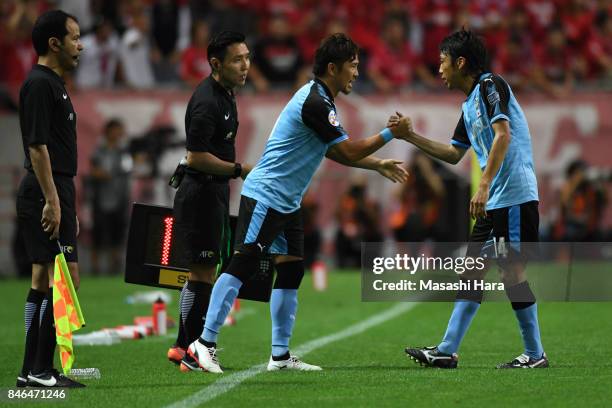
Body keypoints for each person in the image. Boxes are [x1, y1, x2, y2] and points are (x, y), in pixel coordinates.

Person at [183, 33, 412, 374]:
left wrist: (375, 164)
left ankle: (279, 356)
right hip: (266, 195)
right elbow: (346, 150)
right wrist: (392, 133)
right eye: (352, 66)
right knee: (242, 265)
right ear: (333, 68)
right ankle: (204, 344)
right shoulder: (316, 102)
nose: (356, 74)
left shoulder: (320, 98)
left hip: (286, 202)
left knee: (291, 269)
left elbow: (333, 150)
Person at [398, 29, 547, 369]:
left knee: (512, 273)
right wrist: (411, 137)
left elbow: (503, 135)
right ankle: (447, 350)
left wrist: (483, 186)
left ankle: (535, 354)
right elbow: (453, 154)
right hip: (494, 201)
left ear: (460, 62)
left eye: (442, 62)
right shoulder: (468, 106)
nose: (439, 69)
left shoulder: (489, 85)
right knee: (471, 272)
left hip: (513, 196)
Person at [165, 31, 253, 371]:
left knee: (202, 274)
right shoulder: (207, 101)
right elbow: (196, 156)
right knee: (201, 275)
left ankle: (182, 348)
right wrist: (238, 169)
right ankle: (190, 350)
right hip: (200, 193)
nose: (245, 65)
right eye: (237, 59)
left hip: (212, 193)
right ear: (216, 64)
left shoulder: (227, 94)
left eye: (247, 57)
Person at [15, 10, 85, 387]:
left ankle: (34, 369)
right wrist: (53, 200)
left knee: (45, 277)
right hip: (46, 187)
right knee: (66, 278)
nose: (81, 44)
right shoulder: (40, 84)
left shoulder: (54, 83)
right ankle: (39, 371)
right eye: (75, 37)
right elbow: (37, 148)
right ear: (54, 43)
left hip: (55, 187)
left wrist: (62, 200)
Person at [89, 118, 132, 275]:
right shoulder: (99, 150)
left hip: (120, 199)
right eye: (116, 129)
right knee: (98, 236)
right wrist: (99, 174)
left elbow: (128, 168)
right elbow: (94, 171)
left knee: (117, 235)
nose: (119, 133)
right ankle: (96, 268)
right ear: (108, 131)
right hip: (101, 200)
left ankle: (114, 267)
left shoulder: (124, 151)